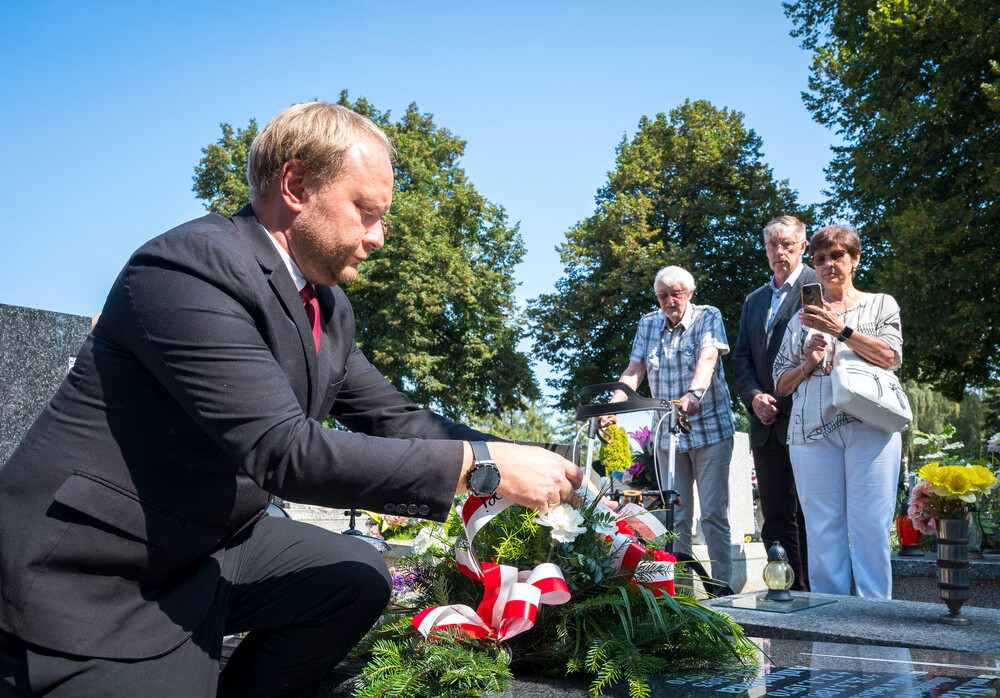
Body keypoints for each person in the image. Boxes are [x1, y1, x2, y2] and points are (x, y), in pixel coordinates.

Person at [0, 102, 583, 697]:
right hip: (102, 570)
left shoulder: (328, 308)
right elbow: (284, 452)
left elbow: (392, 417)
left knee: (356, 578)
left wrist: (527, 455)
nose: (378, 238)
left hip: (209, 545)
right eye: (367, 212)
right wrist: (482, 470)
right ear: (297, 184)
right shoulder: (186, 268)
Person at [772, 225, 903, 598]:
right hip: (811, 430)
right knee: (822, 529)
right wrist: (807, 364)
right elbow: (780, 383)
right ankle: (830, 622)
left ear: (855, 260)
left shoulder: (881, 304)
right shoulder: (801, 317)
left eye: (836, 256)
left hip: (871, 425)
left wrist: (839, 329)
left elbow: (890, 357)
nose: (828, 264)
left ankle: (876, 617)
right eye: (820, 258)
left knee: (871, 527)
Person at [610, 265, 735, 595]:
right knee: (675, 517)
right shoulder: (648, 323)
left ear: (690, 294)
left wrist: (694, 394)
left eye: (676, 294)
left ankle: (723, 592)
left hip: (709, 430)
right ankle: (680, 597)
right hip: (667, 432)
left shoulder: (709, 316)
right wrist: (612, 407)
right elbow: (634, 370)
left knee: (712, 515)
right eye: (663, 295)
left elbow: (708, 358)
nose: (669, 301)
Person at [732, 215, 815, 591]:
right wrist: (754, 398)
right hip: (764, 425)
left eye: (786, 244)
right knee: (776, 514)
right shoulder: (754, 300)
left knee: (812, 513)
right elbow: (741, 359)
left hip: (808, 418)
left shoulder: (817, 286)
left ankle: (816, 590)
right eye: (772, 245)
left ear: (802, 246)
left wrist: (782, 395)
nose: (779, 251)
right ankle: (785, 589)